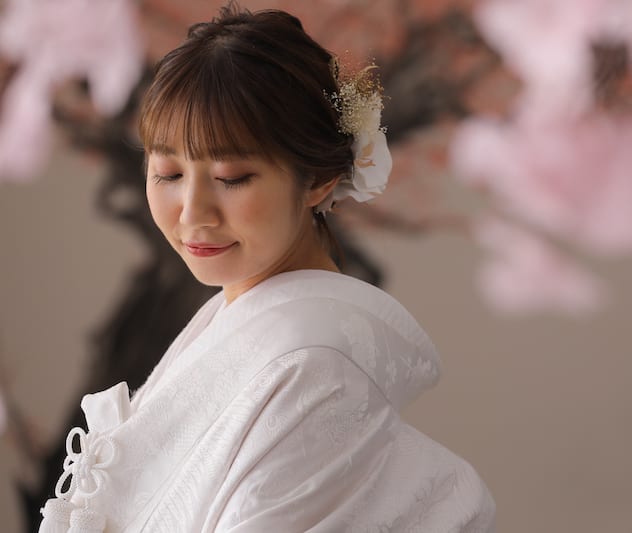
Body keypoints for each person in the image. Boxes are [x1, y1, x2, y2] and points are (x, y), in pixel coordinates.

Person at [38, 5, 495, 533]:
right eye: (168, 173)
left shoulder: (313, 364)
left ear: (319, 178)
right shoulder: (238, 319)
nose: (193, 212)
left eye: (231, 177)